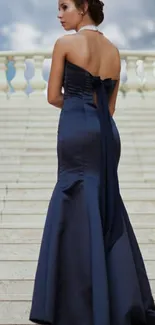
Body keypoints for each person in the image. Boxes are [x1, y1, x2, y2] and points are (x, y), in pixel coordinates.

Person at [29, 0, 155, 324]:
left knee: (72, 202)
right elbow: (109, 109)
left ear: (83, 7)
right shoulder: (114, 52)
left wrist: (78, 106)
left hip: (75, 130)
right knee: (105, 203)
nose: (59, 14)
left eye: (64, 6)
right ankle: (118, 298)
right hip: (106, 135)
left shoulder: (65, 44)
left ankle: (74, 303)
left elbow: (53, 95)